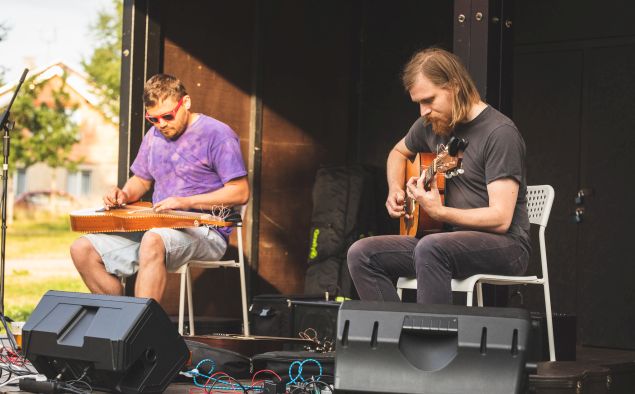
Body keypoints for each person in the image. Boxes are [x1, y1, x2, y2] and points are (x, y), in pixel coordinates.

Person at [347, 48, 530, 304]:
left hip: (506, 245)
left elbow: (500, 218)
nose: (423, 111)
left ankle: (432, 341)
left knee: (432, 247)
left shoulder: (499, 133)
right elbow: (397, 153)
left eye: (429, 100)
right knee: (362, 253)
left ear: (454, 86)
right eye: (418, 103)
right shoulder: (430, 126)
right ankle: (398, 338)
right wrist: (395, 189)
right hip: (444, 243)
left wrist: (440, 212)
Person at [70, 74, 249, 302]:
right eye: (153, 119)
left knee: (153, 239)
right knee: (82, 249)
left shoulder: (218, 135)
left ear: (185, 103)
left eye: (167, 116)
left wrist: (185, 202)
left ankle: (142, 330)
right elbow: (141, 180)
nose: (161, 124)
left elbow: (240, 192)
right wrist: (123, 194)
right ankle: (120, 322)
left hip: (206, 230)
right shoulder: (154, 136)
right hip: (158, 227)